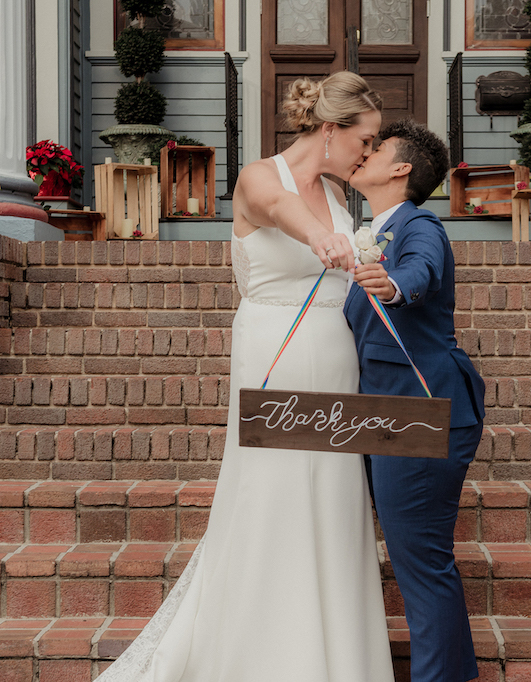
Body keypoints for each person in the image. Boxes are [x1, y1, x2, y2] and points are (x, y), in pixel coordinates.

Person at [96, 72, 393, 681]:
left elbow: (340, 264)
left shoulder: (343, 200)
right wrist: (322, 239)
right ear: (331, 131)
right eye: (365, 140)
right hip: (273, 352)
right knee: (273, 498)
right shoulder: (263, 176)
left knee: (334, 505)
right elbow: (285, 213)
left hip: (336, 361)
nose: (369, 153)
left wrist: (371, 270)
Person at [345, 119, 486, 682]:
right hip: (382, 414)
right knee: (415, 561)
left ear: (401, 169)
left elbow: (421, 268)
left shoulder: (418, 223)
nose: (365, 154)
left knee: (421, 565)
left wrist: (396, 285)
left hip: (422, 412)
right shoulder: (373, 229)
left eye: (375, 149)